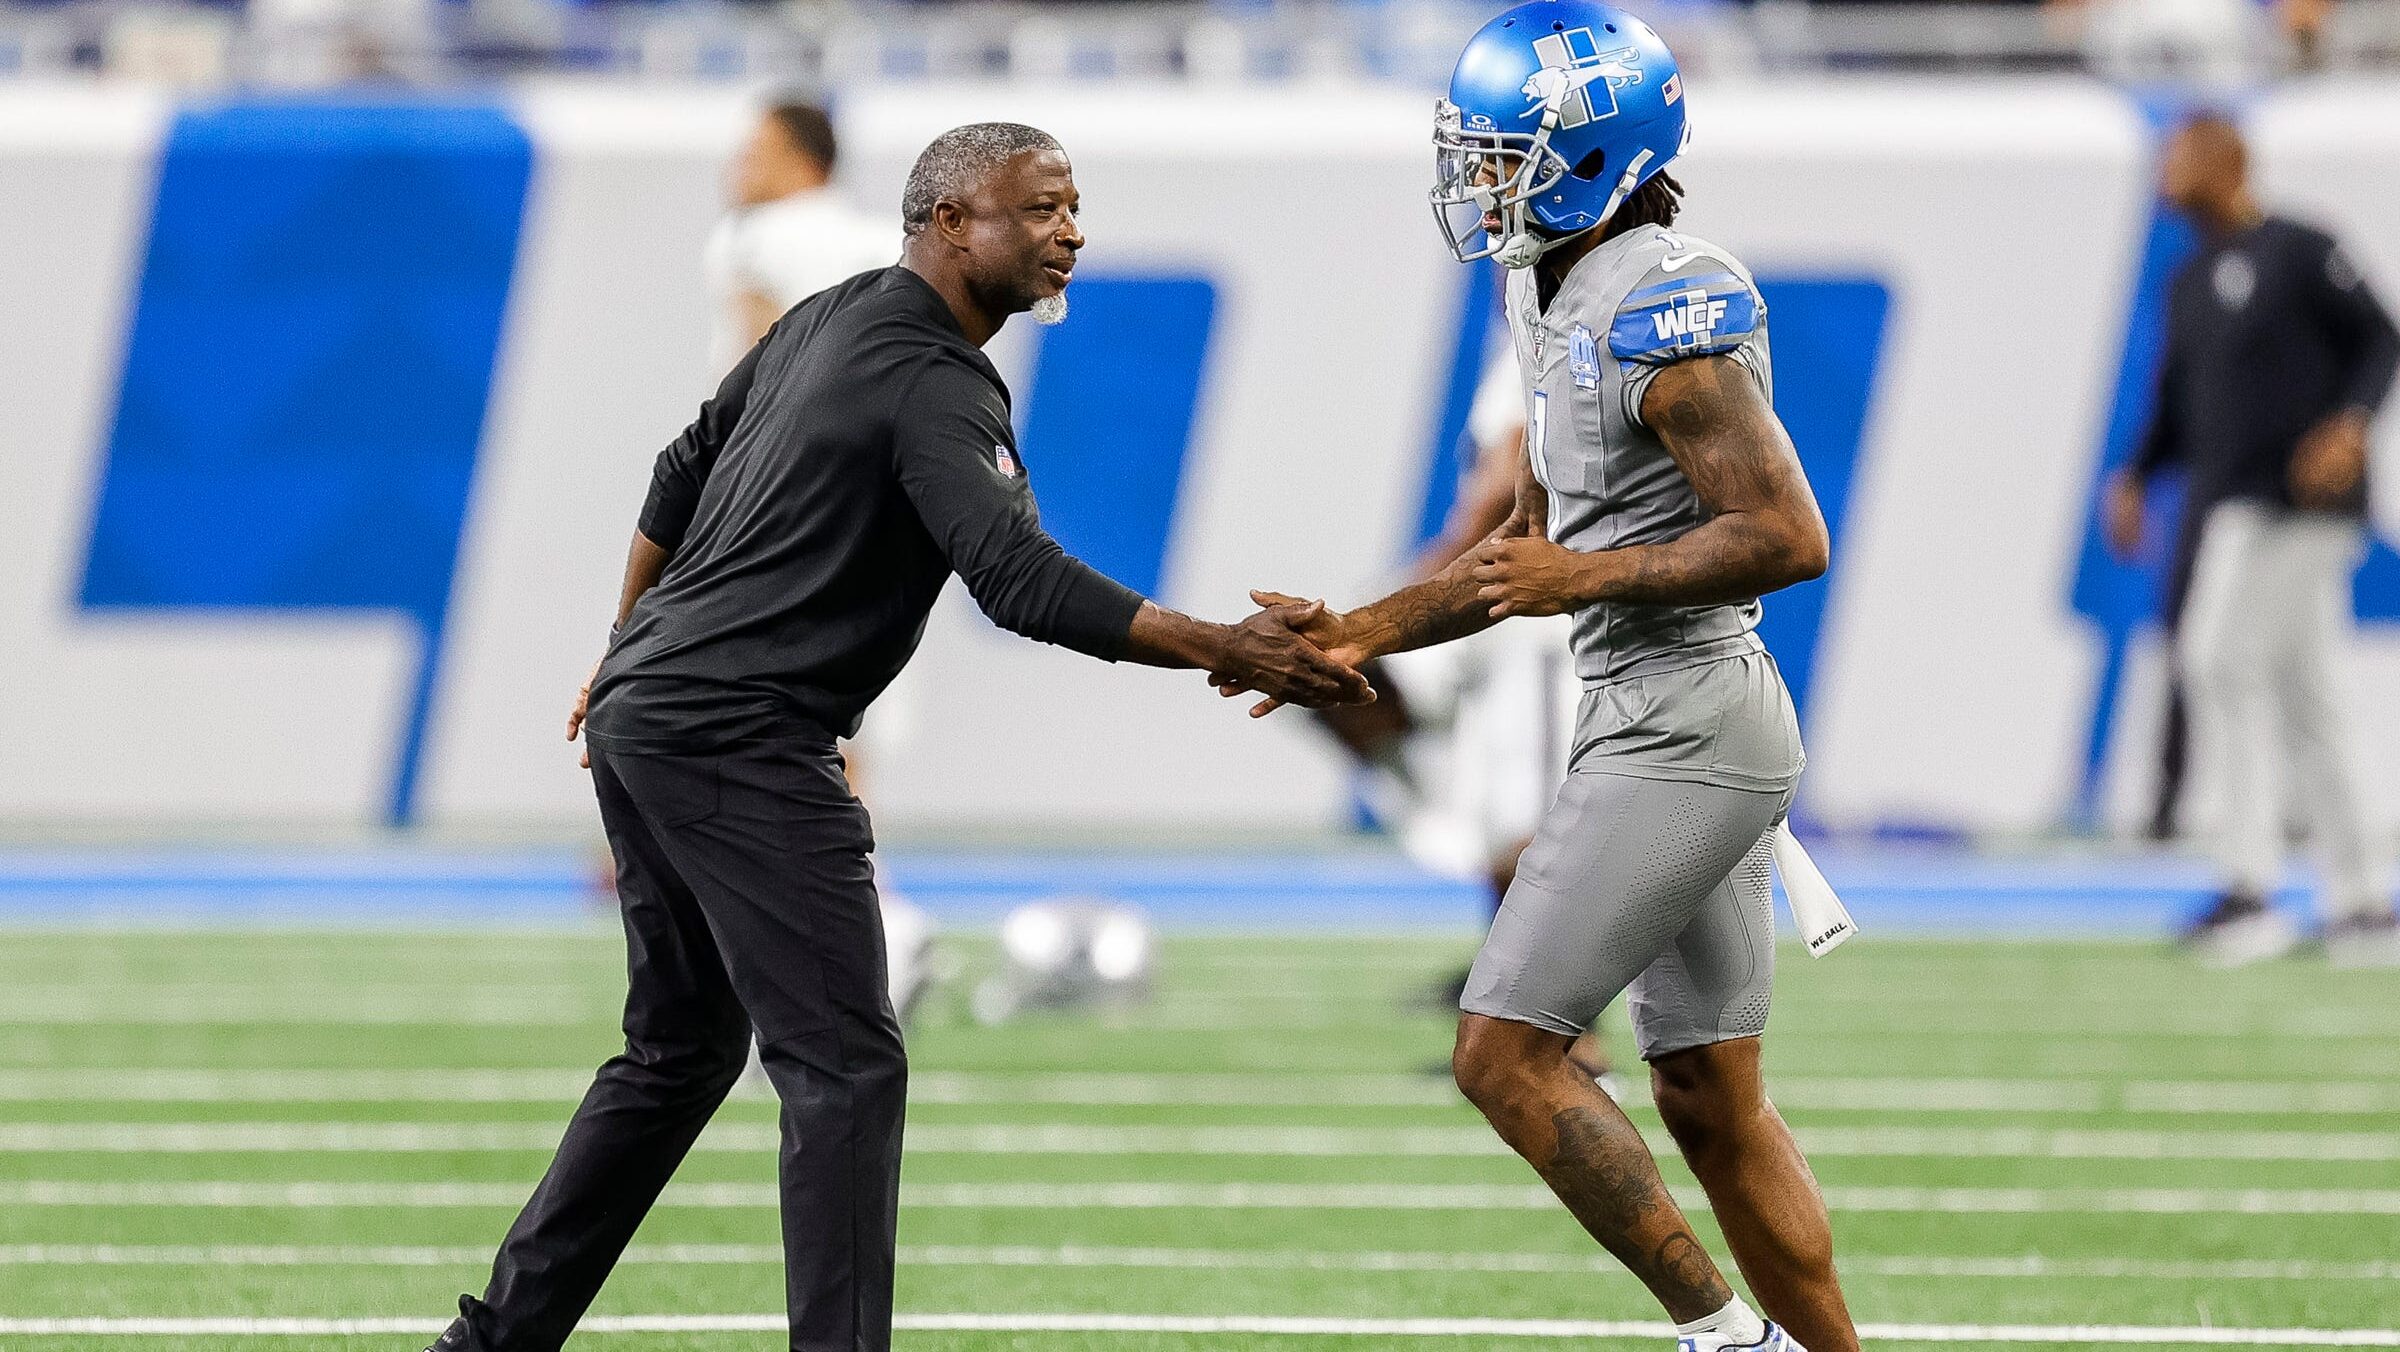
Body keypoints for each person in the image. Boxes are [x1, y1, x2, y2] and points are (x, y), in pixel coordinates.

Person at [423, 122, 1371, 1352]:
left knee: (679, 1050)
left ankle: (492, 1343)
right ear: (949, 221)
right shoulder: (936, 376)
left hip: (653, 711)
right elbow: (1018, 580)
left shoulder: (831, 316)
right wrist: (1222, 646)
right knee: (845, 1067)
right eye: (1039, 208)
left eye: (1074, 206)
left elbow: (676, 473)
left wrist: (624, 648)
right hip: (737, 733)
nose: (1070, 230)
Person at [1226, 5, 1856, 1349]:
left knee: (1501, 1054)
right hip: (1660, 712)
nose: (1479, 180)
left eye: (1505, 154)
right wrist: (1357, 633)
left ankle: (1722, 1336)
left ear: (1595, 155)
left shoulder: (1665, 300)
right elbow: (1523, 542)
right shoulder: (1548, 286)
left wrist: (1595, 580)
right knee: (1705, 1097)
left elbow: (1788, 536)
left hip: (1688, 718)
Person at [2104, 111, 2400, 968]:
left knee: (2216, 659)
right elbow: (2176, 398)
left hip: (2300, 505)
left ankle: (2250, 886)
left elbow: (2380, 337)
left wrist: (2351, 423)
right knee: (2308, 694)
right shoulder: (2190, 278)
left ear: (2229, 159)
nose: (2167, 167)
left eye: (2181, 151)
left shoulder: (2302, 249)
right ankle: (2361, 903)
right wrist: (2134, 474)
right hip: (2235, 501)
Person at [705, 100, 894, 371]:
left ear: (804, 164)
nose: (735, 171)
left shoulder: (747, 236)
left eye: (753, 157)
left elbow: (761, 360)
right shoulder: (892, 242)